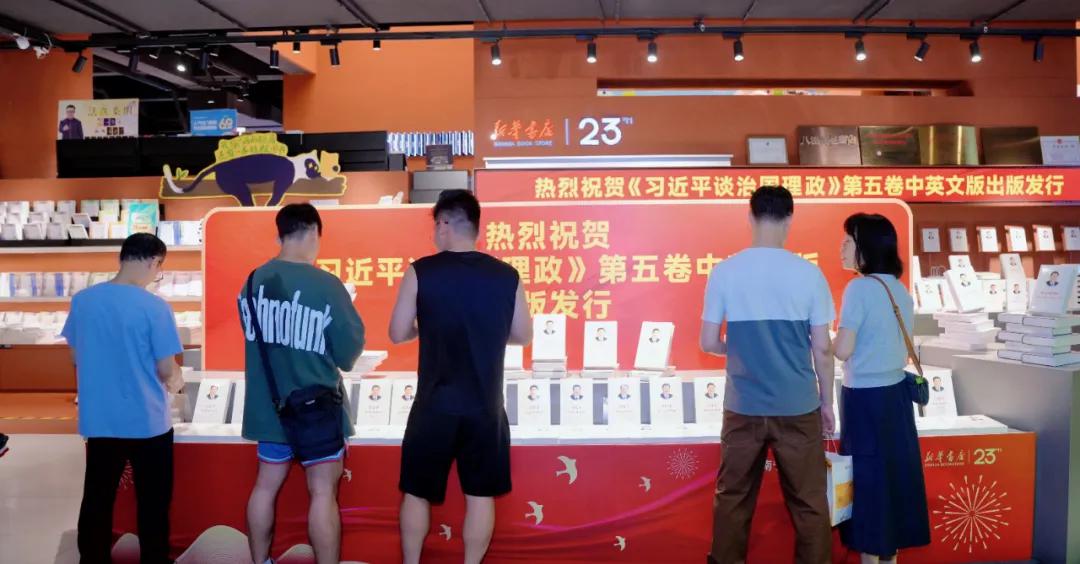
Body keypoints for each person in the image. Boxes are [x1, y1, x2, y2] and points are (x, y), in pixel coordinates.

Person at [389, 189, 532, 564]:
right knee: (480, 495)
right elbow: (522, 335)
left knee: (417, 492)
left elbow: (397, 332)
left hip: (433, 405)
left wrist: (425, 327)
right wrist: (488, 332)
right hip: (485, 407)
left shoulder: (421, 271)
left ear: (443, 224)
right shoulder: (507, 275)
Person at [699, 186, 835, 564]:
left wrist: (738, 348)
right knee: (809, 502)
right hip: (799, 406)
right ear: (790, 219)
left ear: (750, 216)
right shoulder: (809, 274)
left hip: (743, 406)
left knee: (733, 498)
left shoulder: (725, 272)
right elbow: (822, 351)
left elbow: (708, 342)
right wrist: (827, 403)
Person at [239, 203, 366, 564]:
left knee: (265, 487)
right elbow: (349, 351)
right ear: (312, 232)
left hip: (268, 408)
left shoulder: (251, 282)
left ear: (280, 235)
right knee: (323, 492)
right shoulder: (326, 285)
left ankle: (261, 561)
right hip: (316, 409)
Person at [62, 233, 184, 564]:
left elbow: (75, 356)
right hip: (148, 422)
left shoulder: (83, 301)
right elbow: (166, 368)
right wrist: (177, 381)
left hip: (100, 419)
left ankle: (92, 558)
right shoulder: (155, 307)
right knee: (153, 504)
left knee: (97, 499)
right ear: (154, 262)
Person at [832, 213, 931, 563]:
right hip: (896, 399)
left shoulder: (859, 288)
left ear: (867, 247)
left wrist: (822, 341)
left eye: (849, 240)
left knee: (868, 485)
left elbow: (844, 349)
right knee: (894, 482)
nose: (842, 247)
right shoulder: (898, 289)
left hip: (865, 400)